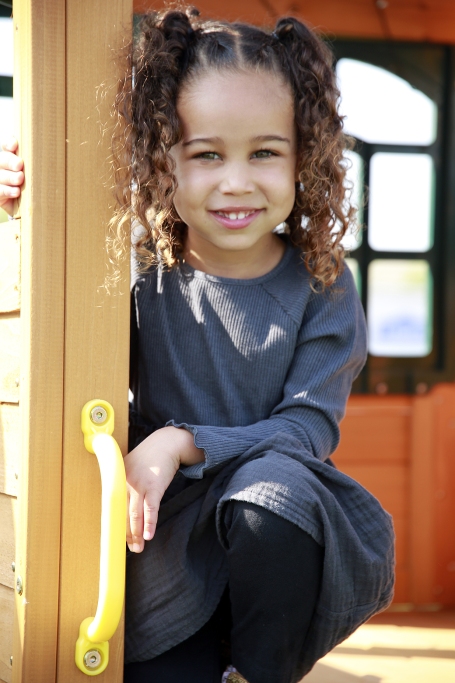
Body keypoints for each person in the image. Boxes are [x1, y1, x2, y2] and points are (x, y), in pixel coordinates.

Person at [0, 7, 395, 683]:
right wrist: (17, 208)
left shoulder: (323, 282)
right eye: (207, 153)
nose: (236, 181)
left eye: (264, 152)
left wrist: (182, 441)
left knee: (272, 490)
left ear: (304, 156)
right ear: (162, 159)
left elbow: (304, 430)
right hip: (160, 534)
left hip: (274, 546)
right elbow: (40, 318)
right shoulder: (132, 266)